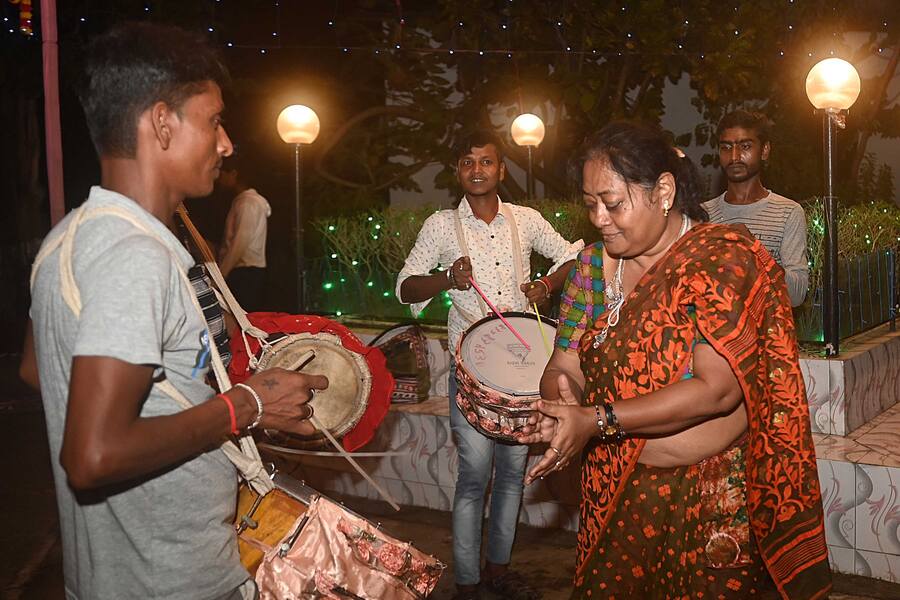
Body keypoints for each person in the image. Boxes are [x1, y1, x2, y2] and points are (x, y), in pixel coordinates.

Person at [22, 22, 327, 600]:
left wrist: (196, 405)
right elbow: (93, 454)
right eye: (213, 120)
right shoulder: (136, 256)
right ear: (162, 123)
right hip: (171, 580)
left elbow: (39, 372)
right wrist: (246, 404)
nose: (227, 143)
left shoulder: (67, 237)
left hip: (110, 574)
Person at [517, 122, 830, 599]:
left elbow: (717, 389)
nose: (600, 217)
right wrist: (563, 406)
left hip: (712, 500)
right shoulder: (589, 270)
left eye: (614, 203)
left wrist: (595, 420)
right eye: (589, 203)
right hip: (617, 491)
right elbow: (564, 364)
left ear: (663, 191)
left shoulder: (719, 259)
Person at [396, 130, 583, 600]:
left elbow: (573, 256)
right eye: (467, 162)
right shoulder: (441, 227)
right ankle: (467, 581)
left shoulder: (526, 219)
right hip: (472, 375)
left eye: (486, 162)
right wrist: (445, 278)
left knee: (513, 476)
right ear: (456, 171)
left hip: (523, 375)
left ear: (501, 170)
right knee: (474, 477)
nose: (477, 170)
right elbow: (405, 288)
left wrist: (548, 285)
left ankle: (498, 570)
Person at [703, 110, 809, 306]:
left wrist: (753, 249)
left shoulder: (787, 212)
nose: (734, 156)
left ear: (765, 150)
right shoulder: (703, 214)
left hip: (767, 335)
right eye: (726, 147)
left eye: (745, 146)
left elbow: (797, 295)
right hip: (713, 335)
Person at [217, 152, 271, 311]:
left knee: (241, 318)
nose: (219, 178)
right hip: (246, 271)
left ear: (233, 174)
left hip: (244, 271)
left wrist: (221, 274)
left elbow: (241, 240)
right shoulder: (247, 201)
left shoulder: (247, 203)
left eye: (222, 173)